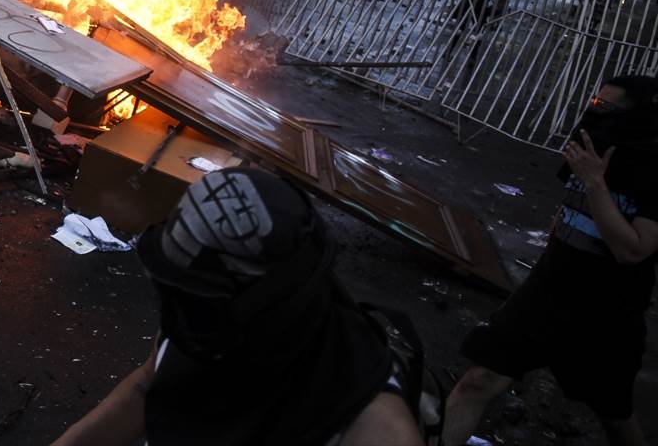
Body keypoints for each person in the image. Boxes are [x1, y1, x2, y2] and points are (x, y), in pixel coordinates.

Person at [53, 168, 426, 446]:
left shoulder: (374, 430)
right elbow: (148, 386)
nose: (177, 314)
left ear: (269, 301)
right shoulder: (202, 325)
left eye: (197, 300)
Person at [443, 75, 658, 446]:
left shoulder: (653, 171)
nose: (594, 115)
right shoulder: (593, 147)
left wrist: (595, 183)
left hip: (606, 315)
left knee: (615, 416)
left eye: (605, 109)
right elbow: (566, 210)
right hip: (546, 294)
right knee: (477, 381)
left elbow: (633, 250)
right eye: (593, 104)